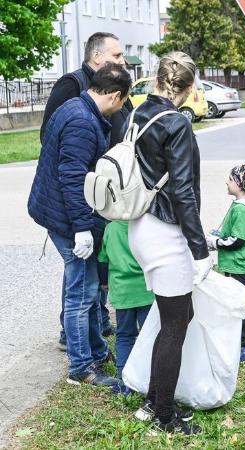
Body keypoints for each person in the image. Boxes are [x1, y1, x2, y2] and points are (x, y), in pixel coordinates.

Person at [27, 63, 132, 387]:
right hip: (65, 217)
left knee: (87, 286)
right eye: (122, 103)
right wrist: (81, 229)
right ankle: (81, 368)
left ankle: (96, 351)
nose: (120, 110)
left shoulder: (75, 106)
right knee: (81, 292)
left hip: (58, 211)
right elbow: (73, 178)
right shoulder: (82, 122)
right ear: (114, 96)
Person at [124, 52, 210, 436]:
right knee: (175, 325)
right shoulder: (177, 124)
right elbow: (183, 192)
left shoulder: (137, 114)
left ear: (157, 79)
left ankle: (154, 399)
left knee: (178, 315)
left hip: (140, 225)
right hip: (165, 233)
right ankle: (164, 417)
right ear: (189, 89)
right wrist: (200, 250)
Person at [43, 32, 132, 350]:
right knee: (81, 278)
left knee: (93, 271)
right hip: (79, 197)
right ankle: (77, 348)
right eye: (117, 55)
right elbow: (65, 158)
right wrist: (81, 223)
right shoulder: (73, 89)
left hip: (98, 192)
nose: (122, 60)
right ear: (96, 57)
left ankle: (95, 331)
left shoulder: (111, 87)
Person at [206, 163, 245, 363]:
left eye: (231, 179)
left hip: (239, 266)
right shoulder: (243, 206)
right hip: (242, 265)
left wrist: (214, 243)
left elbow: (237, 240)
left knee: (241, 306)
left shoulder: (241, 210)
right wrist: (219, 234)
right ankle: (237, 341)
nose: (227, 182)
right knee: (236, 303)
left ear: (240, 184)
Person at [97, 220, 155, 394]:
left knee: (124, 336)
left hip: (122, 292)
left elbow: (102, 260)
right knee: (150, 337)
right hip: (146, 291)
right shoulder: (147, 225)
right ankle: (150, 379)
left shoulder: (111, 228)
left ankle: (124, 382)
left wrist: (104, 282)